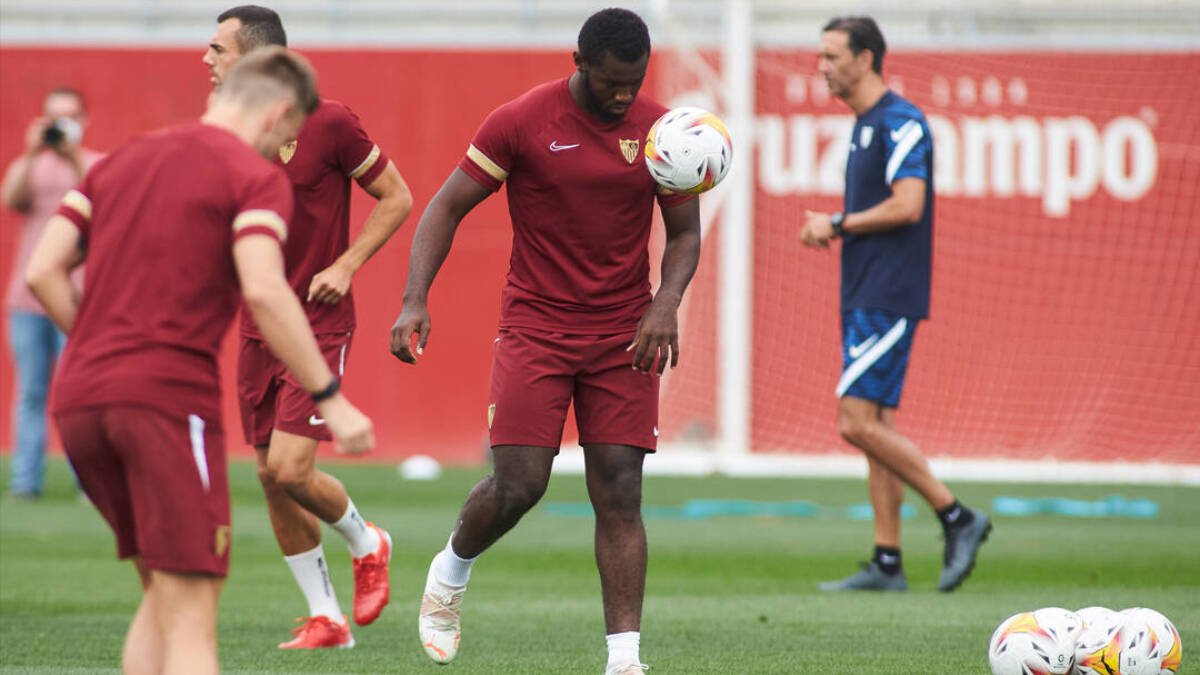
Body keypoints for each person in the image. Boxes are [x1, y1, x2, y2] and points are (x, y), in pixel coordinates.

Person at [24, 47, 374, 675]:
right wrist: (330, 397)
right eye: (288, 135)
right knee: (191, 616)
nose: (282, 150)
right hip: (163, 401)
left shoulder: (122, 159)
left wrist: (100, 348)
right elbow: (265, 289)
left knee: (162, 595)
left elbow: (43, 270)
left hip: (80, 398)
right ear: (280, 112)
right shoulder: (250, 176)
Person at [389, 9, 701, 675]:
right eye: (613, 82)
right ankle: (450, 570)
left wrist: (666, 303)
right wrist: (416, 297)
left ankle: (625, 660)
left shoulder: (661, 131)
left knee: (620, 487)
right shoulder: (521, 122)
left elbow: (684, 234)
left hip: (624, 332)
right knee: (519, 485)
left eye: (635, 82)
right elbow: (445, 207)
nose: (624, 95)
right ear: (579, 62)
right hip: (536, 327)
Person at [203, 5, 413, 649]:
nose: (206, 60)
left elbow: (398, 197)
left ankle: (365, 538)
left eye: (218, 49)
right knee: (269, 476)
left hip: (316, 323)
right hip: (254, 325)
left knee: (293, 470)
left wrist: (347, 265)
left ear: (258, 60)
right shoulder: (222, 132)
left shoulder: (329, 122)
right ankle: (327, 618)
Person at [800, 16, 991, 592]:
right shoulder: (864, 125)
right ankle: (888, 561)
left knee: (854, 422)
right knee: (876, 422)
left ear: (866, 58)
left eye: (832, 56)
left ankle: (957, 516)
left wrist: (836, 222)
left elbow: (909, 205)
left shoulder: (902, 121)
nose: (822, 67)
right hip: (865, 288)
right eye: (820, 56)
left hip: (887, 292)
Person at [2, 87, 102, 500]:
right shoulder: (31, 166)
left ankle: (89, 481)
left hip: (75, 295)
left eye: (68, 118)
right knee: (31, 391)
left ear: (83, 120)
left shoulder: (94, 164)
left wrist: (73, 153)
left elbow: (104, 201)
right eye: (53, 118)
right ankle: (26, 481)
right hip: (26, 298)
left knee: (78, 389)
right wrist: (30, 153)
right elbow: (10, 199)